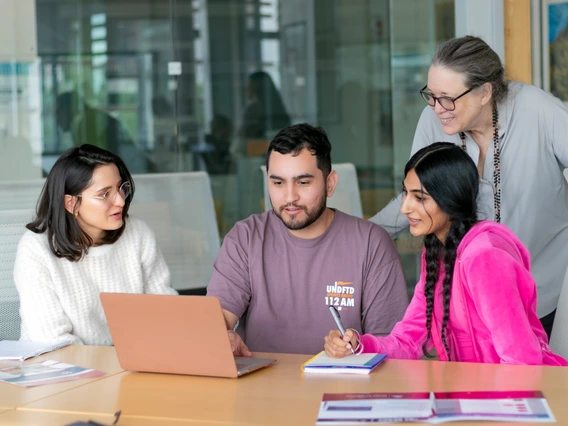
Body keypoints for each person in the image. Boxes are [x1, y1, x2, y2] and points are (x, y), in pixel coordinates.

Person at [370, 35, 568, 338]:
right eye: (430, 95)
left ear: (484, 92)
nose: (437, 108)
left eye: (447, 98)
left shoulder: (538, 109)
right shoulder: (432, 121)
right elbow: (416, 196)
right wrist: (363, 235)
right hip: (471, 299)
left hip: (546, 289)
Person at [325, 143, 567, 365]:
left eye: (419, 198)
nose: (405, 207)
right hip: (471, 395)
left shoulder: (485, 257)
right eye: (406, 194)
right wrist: (359, 345)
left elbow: (520, 362)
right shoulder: (437, 254)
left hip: (517, 400)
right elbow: (409, 340)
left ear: (450, 198)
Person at [207, 123, 409, 355]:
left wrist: (355, 348)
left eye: (303, 182)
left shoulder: (371, 244)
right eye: (278, 182)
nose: (290, 196)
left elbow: (392, 349)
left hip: (343, 386)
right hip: (260, 387)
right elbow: (216, 321)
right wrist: (224, 336)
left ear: (330, 183)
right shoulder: (245, 238)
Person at [14, 144, 177, 345]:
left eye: (121, 188)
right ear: (71, 204)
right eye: (104, 194)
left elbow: (166, 311)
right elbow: (52, 341)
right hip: (60, 368)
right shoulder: (36, 249)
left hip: (128, 364)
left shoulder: (137, 233)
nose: (120, 201)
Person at [237, 71, 291, 150]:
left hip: (255, 151)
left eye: (250, 85)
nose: (247, 88)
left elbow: (242, 137)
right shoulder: (278, 109)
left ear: (256, 87)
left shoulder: (253, 109)